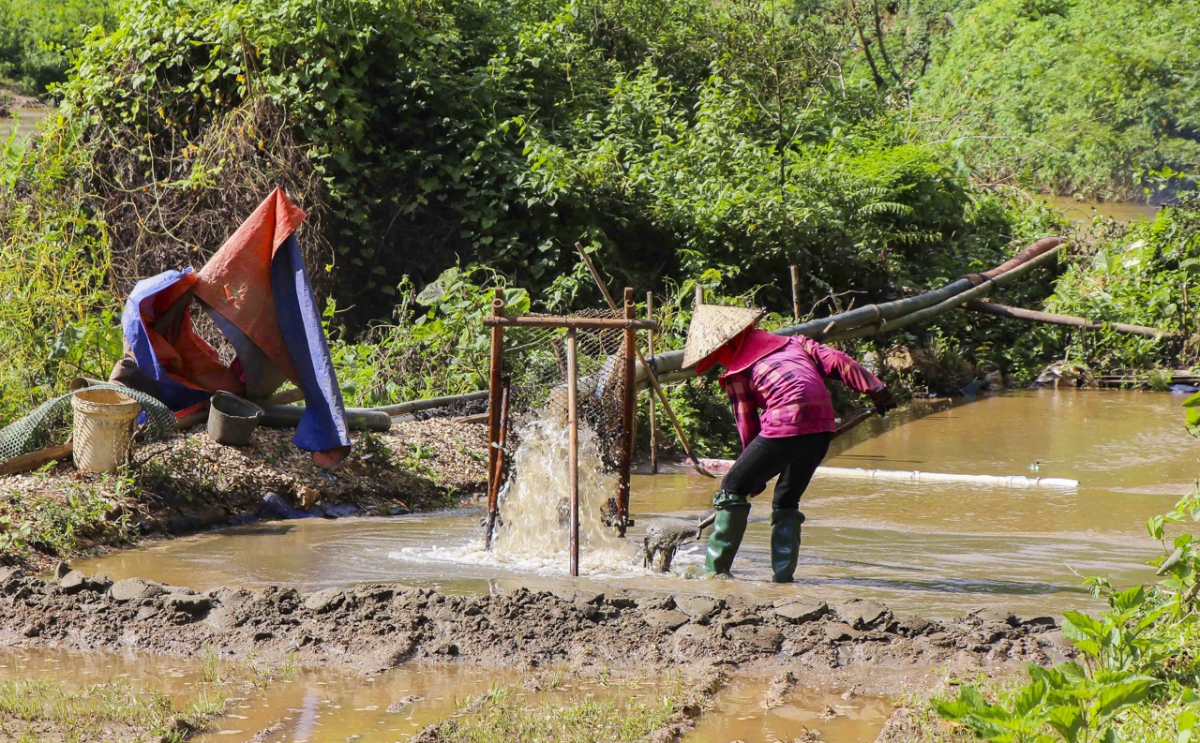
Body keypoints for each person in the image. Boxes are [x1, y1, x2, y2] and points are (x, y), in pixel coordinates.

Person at [682, 304, 896, 582]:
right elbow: (840, 361)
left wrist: (752, 477)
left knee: (732, 487)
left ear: (727, 346)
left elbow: (748, 425)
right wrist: (876, 389)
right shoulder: (797, 344)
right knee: (786, 499)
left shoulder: (737, 372)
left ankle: (714, 572)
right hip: (821, 426)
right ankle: (783, 578)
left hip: (784, 424)